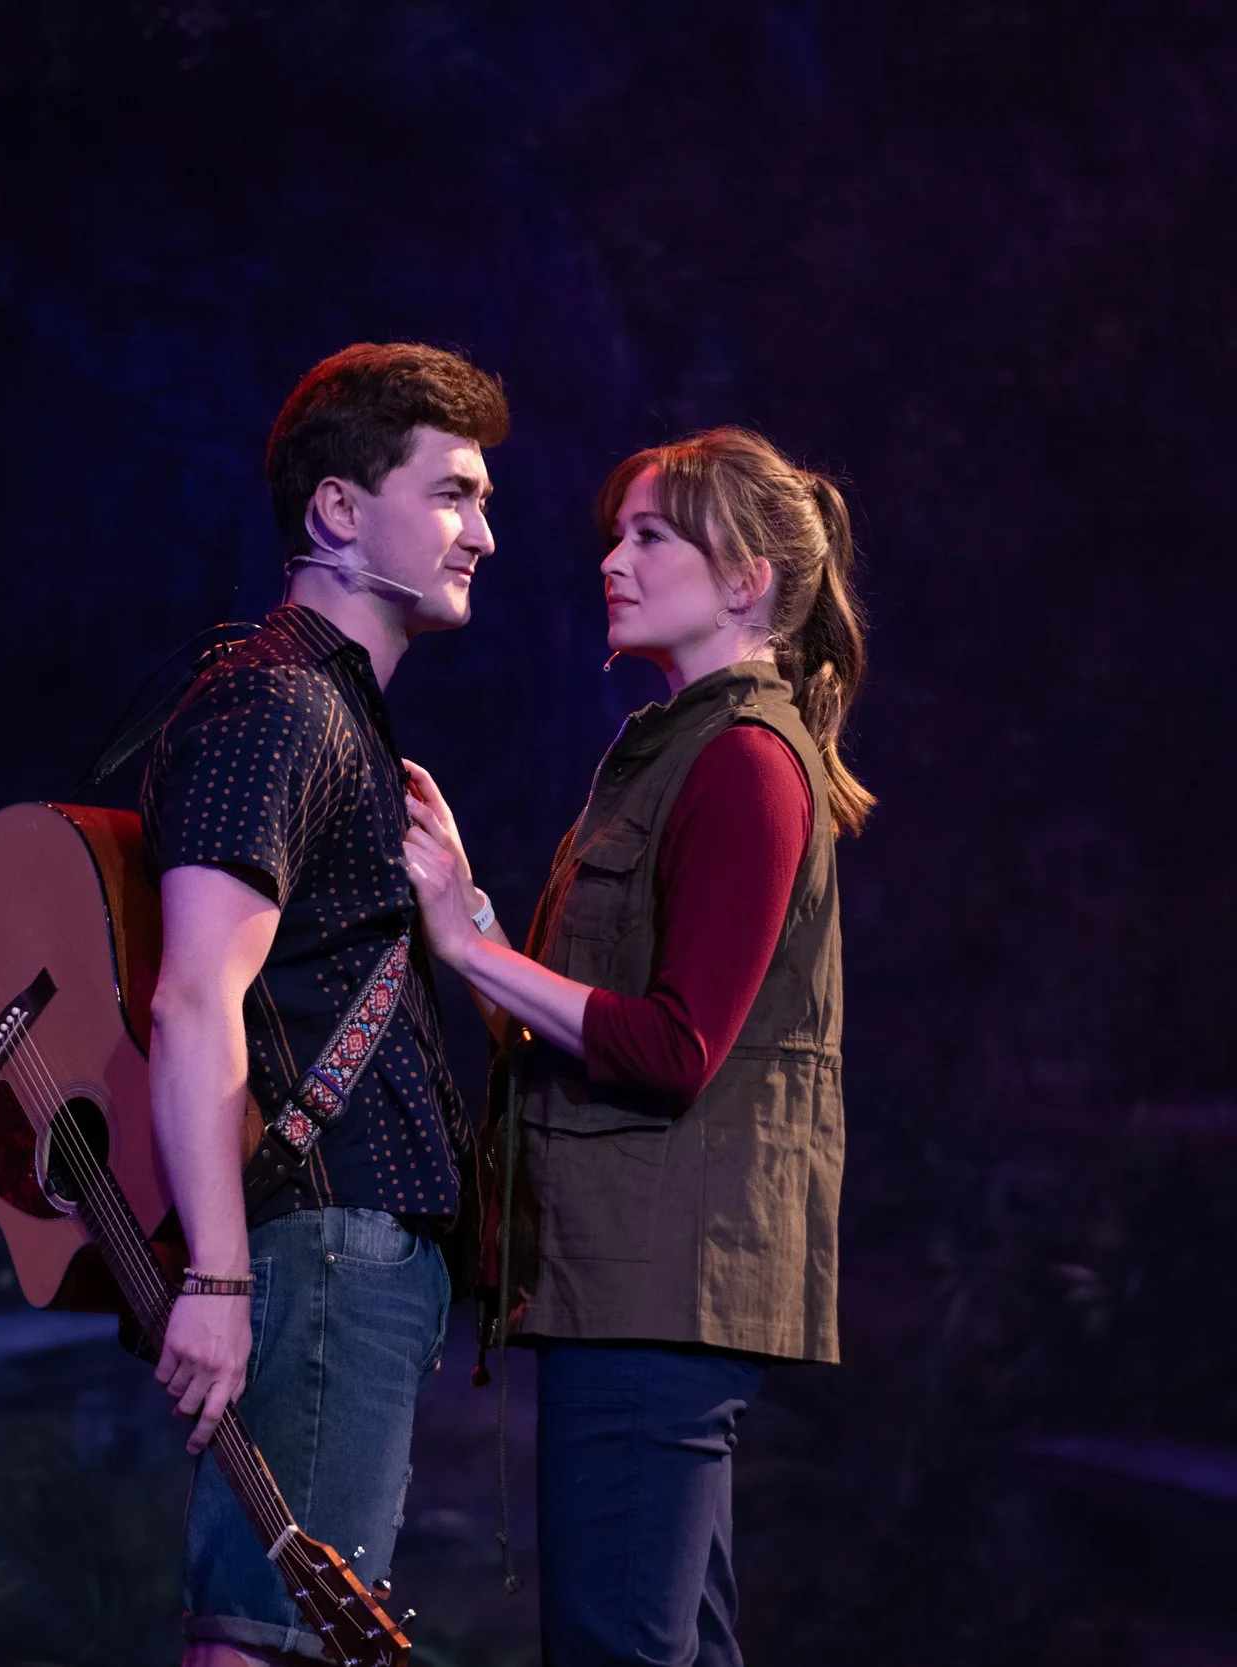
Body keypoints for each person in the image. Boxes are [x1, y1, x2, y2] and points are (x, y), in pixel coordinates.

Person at [401, 426, 871, 1666]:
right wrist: (474, 915)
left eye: (651, 535)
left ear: (747, 578)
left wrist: (464, 946)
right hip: (633, 1283)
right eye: (617, 535)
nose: (613, 559)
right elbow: (591, 1013)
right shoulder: (679, 751)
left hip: (657, 1289)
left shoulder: (745, 764)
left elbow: (673, 1047)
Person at [140, 341, 506, 1666]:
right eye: (452, 494)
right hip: (324, 1245)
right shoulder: (280, 705)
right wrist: (219, 1272)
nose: (484, 534)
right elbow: (195, 996)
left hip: (347, 1252)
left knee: (291, 1636)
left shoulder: (329, 713)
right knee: (268, 1641)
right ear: (340, 509)